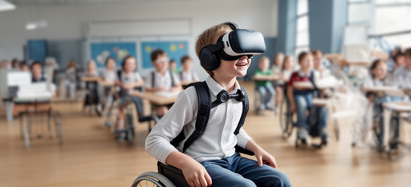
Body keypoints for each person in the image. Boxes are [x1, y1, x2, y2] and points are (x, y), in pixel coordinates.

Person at [145, 23, 290, 187]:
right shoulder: (194, 96)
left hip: (233, 159)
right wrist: (186, 163)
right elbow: (154, 140)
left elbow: (234, 130)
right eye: (233, 50)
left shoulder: (240, 94)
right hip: (203, 163)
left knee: (280, 180)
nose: (244, 57)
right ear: (210, 58)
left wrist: (255, 148)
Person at [287, 51, 328, 146]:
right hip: (299, 96)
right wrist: (292, 104)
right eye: (306, 61)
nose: (309, 63)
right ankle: (302, 129)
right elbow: (289, 90)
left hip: (311, 96)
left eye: (310, 61)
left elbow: (320, 87)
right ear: (299, 63)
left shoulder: (314, 74)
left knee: (323, 107)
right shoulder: (295, 75)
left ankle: (322, 129)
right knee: (301, 104)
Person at [115, 55, 144, 141]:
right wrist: (122, 85)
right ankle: (120, 131)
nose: (130, 66)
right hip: (123, 96)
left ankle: (140, 115)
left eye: (132, 64)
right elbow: (115, 83)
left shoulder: (135, 74)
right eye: (128, 63)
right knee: (122, 108)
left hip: (133, 96)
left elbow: (141, 82)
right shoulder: (119, 74)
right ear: (124, 65)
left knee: (134, 101)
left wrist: (133, 84)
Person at [145, 49, 181, 116]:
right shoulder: (151, 75)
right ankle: (164, 125)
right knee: (163, 111)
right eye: (160, 61)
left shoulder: (171, 74)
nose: (164, 63)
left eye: (165, 60)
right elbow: (147, 89)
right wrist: (156, 89)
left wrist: (175, 89)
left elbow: (179, 86)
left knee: (177, 110)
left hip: (170, 100)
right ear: (154, 63)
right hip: (158, 102)